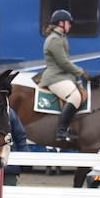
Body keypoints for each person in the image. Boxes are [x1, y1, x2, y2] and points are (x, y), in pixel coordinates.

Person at [40, 9, 89, 142]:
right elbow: (63, 62)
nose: (70, 25)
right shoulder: (55, 40)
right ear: (61, 23)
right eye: (69, 23)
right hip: (55, 77)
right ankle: (61, 131)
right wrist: (80, 72)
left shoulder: (60, 38)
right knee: (75, 97)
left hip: (62, 76)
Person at [3, 109, 28, 198]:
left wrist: (25, 157)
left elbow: (20, 136)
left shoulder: (10, 113)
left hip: (10, 163)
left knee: (10, 196)